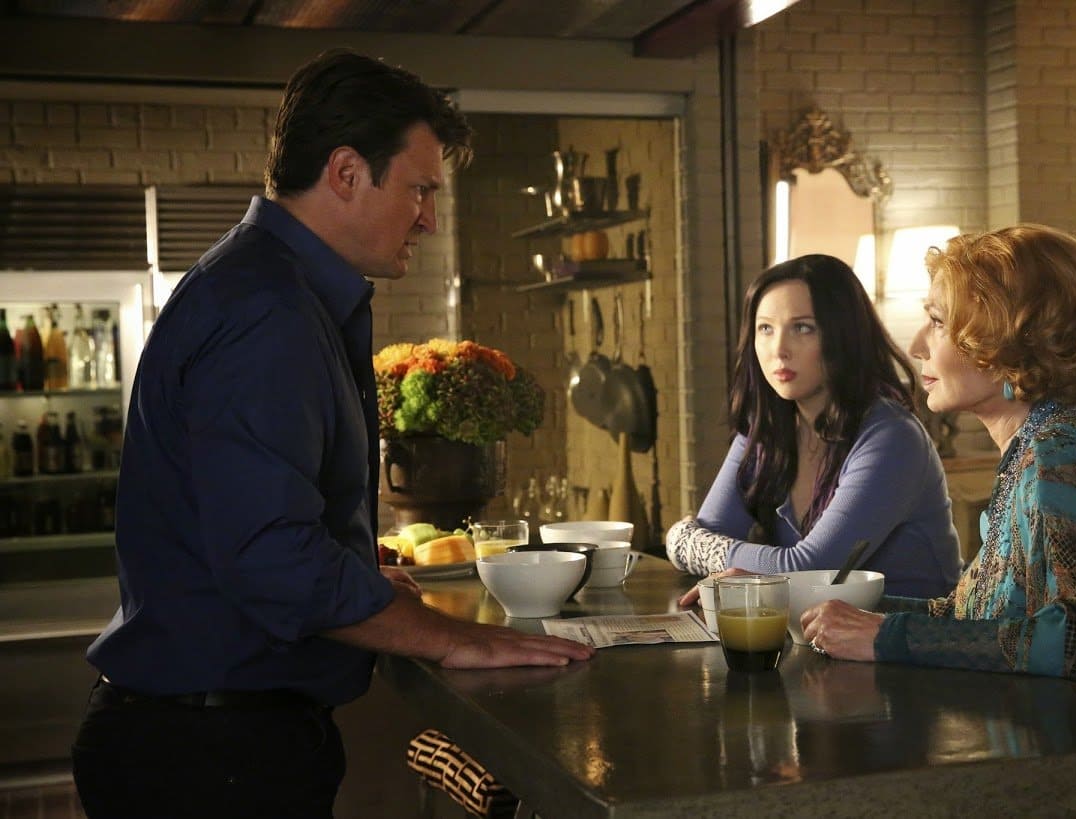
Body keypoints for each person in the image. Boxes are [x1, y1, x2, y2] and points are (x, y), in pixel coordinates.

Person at [71, 49, 593, 819]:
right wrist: (454, 638)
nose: (429, 218)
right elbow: (271, 555)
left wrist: (359, 577)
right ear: (346, 172)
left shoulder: (269, 287)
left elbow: (253, 522)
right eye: (419, 189)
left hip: (215, 742)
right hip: (209, 758)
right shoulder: (265, 310)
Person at [801, 224, 1076, 711]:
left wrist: (887, 636)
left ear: (1008, 338)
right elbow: (980, 617)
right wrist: (831, 607)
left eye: (937, 321)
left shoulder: (1059, 452)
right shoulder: (1047, 441)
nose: (917, 344)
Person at [669, 254, 962, 601]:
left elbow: (810, 570)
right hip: (811, 628)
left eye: (802, 328)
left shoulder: (892, 436)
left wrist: (685, 540)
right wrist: (706, 546)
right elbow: (715, 529)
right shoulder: (767, 427)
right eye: (766, 328)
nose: (779, 349)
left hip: (907, 630)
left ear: (843, 335)